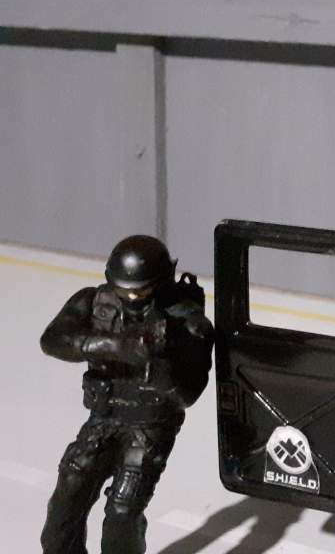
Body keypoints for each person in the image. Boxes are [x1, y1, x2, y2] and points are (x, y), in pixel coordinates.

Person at [39, 235, 213, 554]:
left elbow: (188, 394)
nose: (131, 298)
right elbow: (53, 339)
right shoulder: (95, 302)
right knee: (67, 497)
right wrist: (117, 346)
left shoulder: (187, 320)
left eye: (141, 292)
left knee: (122, 512)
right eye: (123, 290)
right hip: (103, 418)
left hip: (149, 427)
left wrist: (160, 359)